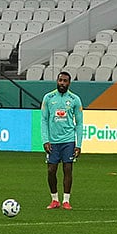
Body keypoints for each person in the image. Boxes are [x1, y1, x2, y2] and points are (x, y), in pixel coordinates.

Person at [41, 71, 83, 210]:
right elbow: (44, 120)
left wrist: (78, 144)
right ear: (57, 81)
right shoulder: (48, 98)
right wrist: (45, 140)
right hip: (53, 141)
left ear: (69, 83)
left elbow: (79, 123)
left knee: (68, 168)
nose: (62, 83)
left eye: (65, 81)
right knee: (51, 170)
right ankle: (54, 199)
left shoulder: (75, 99)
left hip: (68, 140)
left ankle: (66, 200)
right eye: (60, 80)